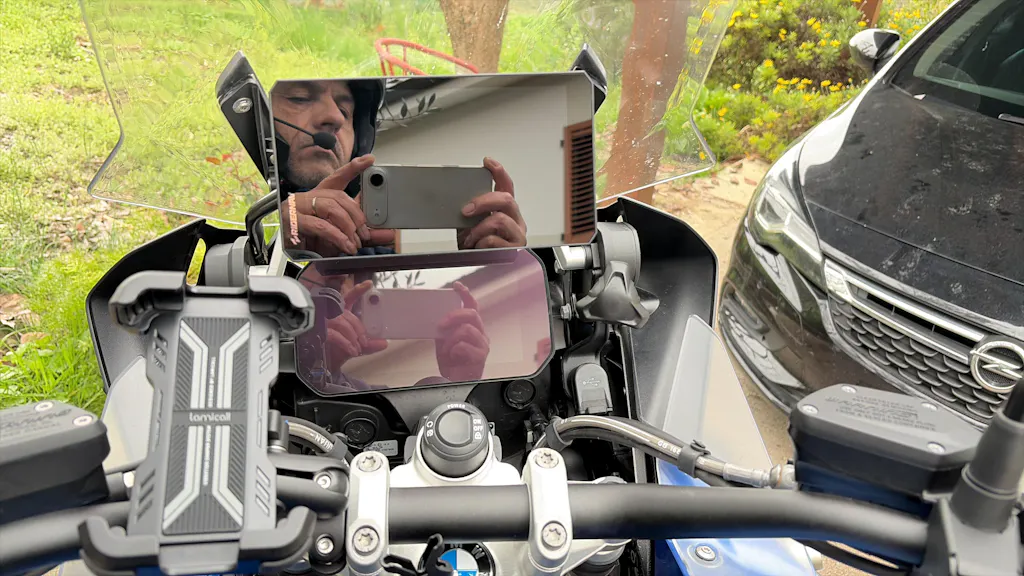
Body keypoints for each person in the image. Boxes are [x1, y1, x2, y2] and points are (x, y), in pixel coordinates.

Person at [273, 79, 528, 257]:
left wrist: (490, 267)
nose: (335, 117)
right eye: (299, 98)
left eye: (345, 110)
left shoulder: (375, 254)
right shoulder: (262, 220)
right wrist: (283, 243)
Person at [296, 265, 491, 394]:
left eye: (349, 274)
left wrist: (460, 382)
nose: (341, 274)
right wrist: (308, 356)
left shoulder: (372, 399)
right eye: (318, 260)